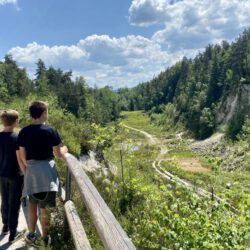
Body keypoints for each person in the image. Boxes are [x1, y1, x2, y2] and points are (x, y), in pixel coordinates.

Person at [18, 101, 68, 247]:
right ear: (43, 113)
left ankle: (32, 234)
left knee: (33, 205)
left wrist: (27, 171)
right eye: (47, 111)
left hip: (32, 173)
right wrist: (64, 150)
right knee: (45, 208)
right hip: (47, 173)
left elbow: (22, 155)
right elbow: (58, 153)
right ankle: (45, 238)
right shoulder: (51, 130)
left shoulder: (24, 132)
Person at [0, 109, 24, 243]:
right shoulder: (17, 138)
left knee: (4, 200)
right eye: (18, 119)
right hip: (16, 175)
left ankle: (5, 226)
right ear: (15, 122)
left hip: (2, 174)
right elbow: (20, 158)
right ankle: (13, 233)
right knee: (14, 203)